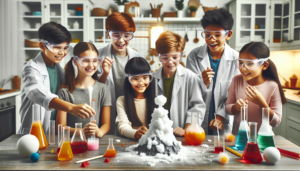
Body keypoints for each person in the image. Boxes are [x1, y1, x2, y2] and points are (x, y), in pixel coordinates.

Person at [18, 22, 95, 134]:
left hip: (54, 134)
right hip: (33, 133)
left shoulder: (60, 71)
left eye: (65, 48)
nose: (62, 53)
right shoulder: (31, 68)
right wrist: (72, 108)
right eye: (57, 47)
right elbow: (37, 93)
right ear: (42, 46)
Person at [186, 9, 240, 135]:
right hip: (198, 118)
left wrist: (221, 116)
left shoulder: (237, 59)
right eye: (207, 34)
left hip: (224, 120)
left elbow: (234, 94)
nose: (211, 39)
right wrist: (201, 81)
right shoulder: (193, 56)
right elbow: (189, 90)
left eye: (217, 35)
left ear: (228, 34)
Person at [226, 42, 286, 134]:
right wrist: (236, 107)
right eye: (241, 63)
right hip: (239, 138)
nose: (243, 68)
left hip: (263, 138)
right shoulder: (237, 80)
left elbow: (275, 122)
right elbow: (228, 108)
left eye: (250, 64)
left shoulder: (272, 85)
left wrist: (261, 103)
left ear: (264, 65)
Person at [153, 31, 206, 137]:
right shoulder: (152, 79)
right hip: (158, 134)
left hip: (181, 134)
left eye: (175, 57)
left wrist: (186, 129)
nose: (170, 62)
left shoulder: (190, 77)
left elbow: (197, 107)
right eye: (165, 57)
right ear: (158, 56)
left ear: (181, 54)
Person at [97, 12, 140, 135]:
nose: (121, 40)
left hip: (130, 110)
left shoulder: (137, 57)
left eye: (127, 35)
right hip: (106, 112)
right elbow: (92, 88)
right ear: (107, 34)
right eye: (116, 35)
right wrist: (105, 73)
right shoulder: (97, 56)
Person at [57, 42, 111, 138]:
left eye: (95, 61)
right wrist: (81, 132)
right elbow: (60, 127)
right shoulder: (64, 91)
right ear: (75, 61)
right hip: (72, 144)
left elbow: (106, 125)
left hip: (95, 144)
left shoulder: (104, 89)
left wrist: (99, 132)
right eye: (85, 61)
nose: (91, 65)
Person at [116, 57, 156, 139]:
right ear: (128, 80)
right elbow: (122, 126)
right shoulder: (122, 101)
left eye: (145, 78)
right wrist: (136, 133)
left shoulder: (157, 100)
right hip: (132, 142)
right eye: (135, 79)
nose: (141, 83)